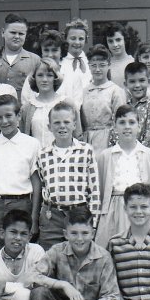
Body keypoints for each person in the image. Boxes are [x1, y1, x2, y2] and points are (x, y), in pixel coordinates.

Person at [96, 105, 150, 248]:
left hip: (141, 210)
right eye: (122, 123)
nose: (127, 127)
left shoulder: (148, 154)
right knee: (114, 251)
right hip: (114, 212)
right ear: (114, 127)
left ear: (139, 127)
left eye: (131, 122)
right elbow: (101, 192)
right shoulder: (106, 156)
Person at [35, 101, 101, 250]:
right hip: (52, 215)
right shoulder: (43, 154)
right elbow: (43, 187)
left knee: (78, 256)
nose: (62, 126)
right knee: (51, 256)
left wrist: (93, 222)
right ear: (49, 127)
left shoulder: (86, 150)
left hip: (79, 214)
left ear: (74, 124)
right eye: (57, 122)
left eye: (66, 122)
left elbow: (94, 191)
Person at [0, 94, 42, 255]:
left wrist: (35, 218)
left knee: (21, 250)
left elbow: (36, 183)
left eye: (9, 116)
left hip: (22, 203)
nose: (4, 121)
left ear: (18, 116)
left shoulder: (32, 144)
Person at [108, 61, 150, 161]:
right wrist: (122, 156)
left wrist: (133, 157)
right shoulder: (121, 109)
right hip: (121, 160)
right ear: (125, 84)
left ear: (149, 82)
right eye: (132, 81)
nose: (137, 85)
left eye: (141, 80)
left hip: (144, 160)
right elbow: (113, 136)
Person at [20, 57, 81, 149]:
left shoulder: (68, 103)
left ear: (55, 78)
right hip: (37, 157)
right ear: (34, 78)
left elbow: (78, 135)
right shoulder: (27, 108)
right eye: (40, 75)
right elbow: (24, 137)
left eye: (49, 75)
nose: (44, 80)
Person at [80, 44, 127, 158]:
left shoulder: (115, 91)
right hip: (87, 140)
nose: (97, 69)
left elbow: (121, 120)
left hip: (108, 139)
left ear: (109, 65)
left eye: (102, 65)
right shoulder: (84, 91)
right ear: (89, 66)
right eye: (93, 65)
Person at [0, 13, 41, 98]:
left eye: (21, 34)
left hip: (23, 109)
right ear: (3, 32)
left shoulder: (35, 60)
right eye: (13, 32)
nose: (17, 36)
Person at [20, 29, 65, 105]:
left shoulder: (71, 77)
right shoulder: (32, 77)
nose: (50, 55)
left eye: (54, 50)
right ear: (41, 52)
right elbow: (25, 104)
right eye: (46, 50)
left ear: (61, 52)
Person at [57, 18, 92, 108]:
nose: (77, 42)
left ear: (86, 40)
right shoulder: (60, 63)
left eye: (81, 39)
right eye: (73, 38)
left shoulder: (90, 62)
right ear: (65, 39)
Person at [104, 22, 135, 88]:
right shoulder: (105, 65)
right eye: (110, 41)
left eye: (118, 40)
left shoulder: (134, 63)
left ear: (125, 40)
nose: (115, 45)